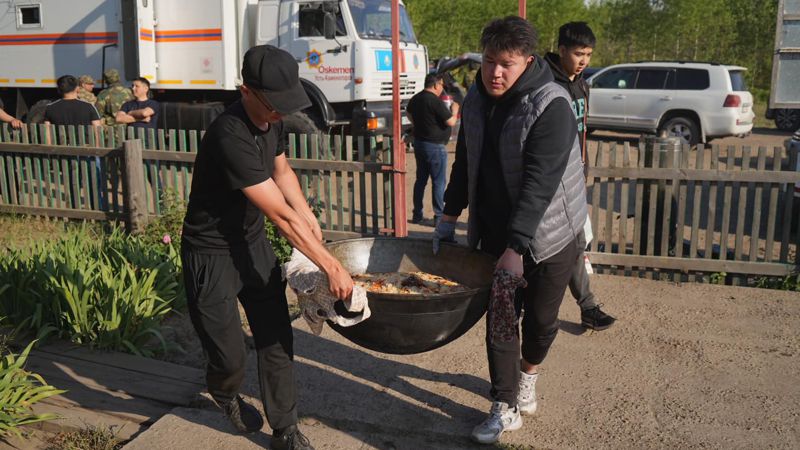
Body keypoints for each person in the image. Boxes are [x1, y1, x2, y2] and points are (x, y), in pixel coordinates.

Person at [181, 45, 353, 450]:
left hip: (252, 244)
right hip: (211, 253)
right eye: (274, 104)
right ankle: (223, 391)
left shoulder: (271, 122)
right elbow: (279, 216)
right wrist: (330, 265)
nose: (281, 113)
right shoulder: (229, 134)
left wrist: (307, 211)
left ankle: (286, 429)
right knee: (229, 357)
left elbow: (282, 171)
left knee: (276, 338)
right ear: (246, 91)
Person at [432, 16, 587, 444]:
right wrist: (449, 216)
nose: (494, 73)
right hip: (497, 231)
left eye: (506, 64)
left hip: (554, 234)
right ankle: (504, 405)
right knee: (501, 318)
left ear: (528, 61)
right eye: (487, 62)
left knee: (540, 322)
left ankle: (528, 377)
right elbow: (465, 162)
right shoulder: (478, 101)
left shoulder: (551, 105)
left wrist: (517, 249)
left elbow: (540, 185)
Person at [544, 22, 616, 331]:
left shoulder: (581, 83)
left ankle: (586, 307)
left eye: (588, 54)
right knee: (565, 243)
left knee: (574, 241)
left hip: (574, 176)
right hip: (549, 178)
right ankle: (582, 306)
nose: (584, 60)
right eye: (578, 53)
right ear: (561, 50)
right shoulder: (544, 80)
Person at [406, 73, 459, 225]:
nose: (442, 89)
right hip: (435, 146)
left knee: (420, 180)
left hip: (420, 143)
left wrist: (420, 123)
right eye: (441, 86)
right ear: (436, 85)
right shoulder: (435, 101)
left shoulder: (416, 98)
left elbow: (409, 113)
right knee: (439, 182)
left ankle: (417, 214)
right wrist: (455, 110)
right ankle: (438, 216)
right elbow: (450, 122)